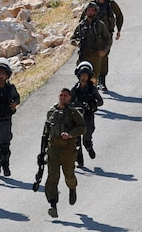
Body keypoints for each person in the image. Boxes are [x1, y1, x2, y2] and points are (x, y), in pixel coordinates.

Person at [41, 88, 86, 218]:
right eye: (61, 95)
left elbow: (82, 128)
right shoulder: (51, 112)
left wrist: (70, 134)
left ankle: (72, 188)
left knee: (69, 175)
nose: (62, 97)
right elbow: (46, 132)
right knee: (52, 177)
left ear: (70, 97)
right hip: (53, 150)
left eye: (65, 95)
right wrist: (42, 151)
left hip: (68, 151)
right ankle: (53, 204)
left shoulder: (73, 113)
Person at [80, 0, 124, 91]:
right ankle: (90, 81)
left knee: (103, 55)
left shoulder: (110, 4)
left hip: (106, 34)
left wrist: (119, 29)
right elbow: (82, 19)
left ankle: (102, 81)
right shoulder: (91, 4)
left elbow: (119, 16)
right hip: (91, 35)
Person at [70, 1, 112, 90]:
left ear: (96, 12)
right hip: (84, 54)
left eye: (92, 10)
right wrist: (77, 43)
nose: (90, 12)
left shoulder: (100, 25)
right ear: (85, 11)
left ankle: (92, 95)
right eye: (88, 10)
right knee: (81, 74)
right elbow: (72, 39)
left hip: (96, 54)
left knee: (93, 77)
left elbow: (108, 38)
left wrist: (105, 50)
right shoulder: (81, 26)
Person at [71, 61, 103, 167]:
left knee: (86, 139)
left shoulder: (92, 89)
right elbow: (68, 101)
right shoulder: (75, 89)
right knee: (76, 141)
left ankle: (89, 148)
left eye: (86, 75)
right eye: (82, 75)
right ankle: (79, 160)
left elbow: (100, 101)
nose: (84, 77)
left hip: (88, 117)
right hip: (76, 117)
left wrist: (92, 106)